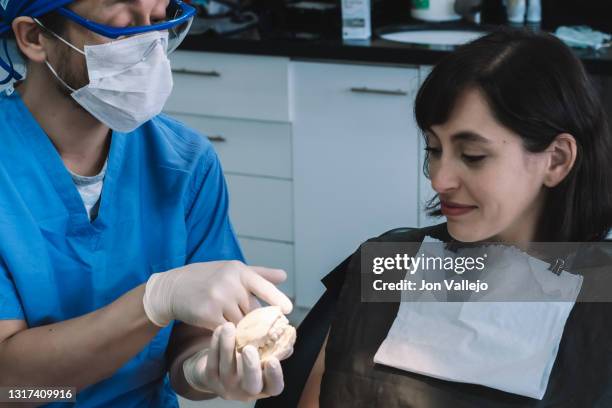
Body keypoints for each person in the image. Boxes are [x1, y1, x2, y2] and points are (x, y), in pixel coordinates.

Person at [259, 28, 612, 407]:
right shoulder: (390, 263)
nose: (440, 179)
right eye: (434, 149)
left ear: (556, 159)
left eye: (473, 155)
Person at [0, 1, 293, 406]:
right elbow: (7, 387)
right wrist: (153, 302)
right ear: (34, 37)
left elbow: (189, 347)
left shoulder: (184, 161)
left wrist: (204, 369)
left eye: (158, 21)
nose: (150, 45)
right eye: (122, 25)